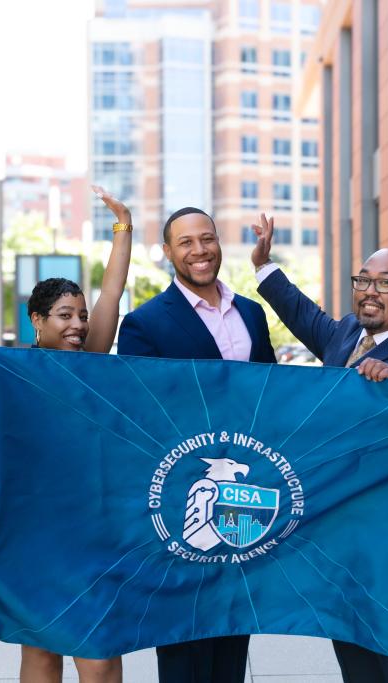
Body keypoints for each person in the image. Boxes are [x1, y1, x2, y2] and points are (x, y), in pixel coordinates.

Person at [250, 215, 388, 682]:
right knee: (353, 652)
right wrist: (264, 265)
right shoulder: (346, 335)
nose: (370, 290)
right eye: (363, 279)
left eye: (385, 283)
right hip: (339, 536)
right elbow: (301, 312)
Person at [117, 206, 275, 683]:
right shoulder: (144, 324)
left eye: (206, 238)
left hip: (245, 490)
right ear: (167, 252)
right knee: (184, 631)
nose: (199, 250)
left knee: (233, 619)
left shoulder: (250, 312)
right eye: (185, 242)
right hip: (183, 493)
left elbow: (271, 396)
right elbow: (143, 420)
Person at [4, 186, 130, 683]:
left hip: (91, 527)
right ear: (37, 320)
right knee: (40, 651)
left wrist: (123, 228)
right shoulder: (10, 371)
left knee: (99, 650)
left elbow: (112, 294)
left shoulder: (92, 363)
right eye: (64, 315)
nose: (78, 324)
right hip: (33, 531)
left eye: (80, 315)